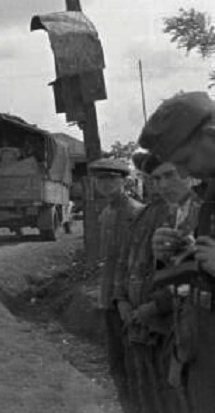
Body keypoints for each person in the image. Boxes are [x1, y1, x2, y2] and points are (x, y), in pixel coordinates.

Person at [139, 90, 215, 413]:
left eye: (184, 162)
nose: (185, 174)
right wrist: (171, 255)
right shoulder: (209, 192)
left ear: (210, 136)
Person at [113, 152, 195, 413]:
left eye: (168, 175)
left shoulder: (198, 214)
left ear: (189, 174)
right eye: (155, 178)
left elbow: (190, 279)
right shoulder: (144, 215)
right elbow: (124, 260)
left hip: (169, 326)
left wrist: (154, 307)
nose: (161, 184)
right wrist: (121, 300)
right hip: (140, 322)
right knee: (143, 394)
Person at [89, 157, 144, 411]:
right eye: (101, 179)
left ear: (124, 181)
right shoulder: (107, 212)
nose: (106, 184)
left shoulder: (135, 212)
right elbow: (108, 260)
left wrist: (124, 298)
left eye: (112, 179)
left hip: (129, 299)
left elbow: (135, 260)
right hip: (110, 297)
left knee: (135, 365)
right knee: (117, 365)